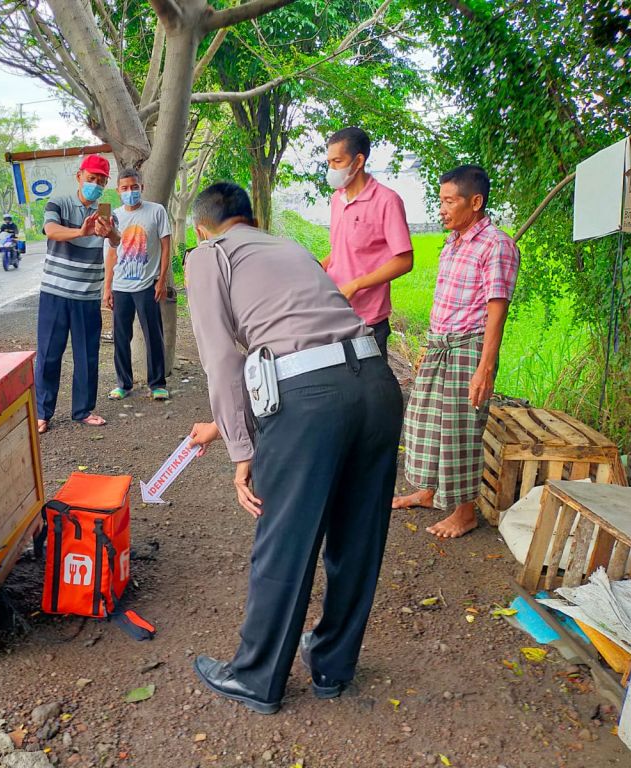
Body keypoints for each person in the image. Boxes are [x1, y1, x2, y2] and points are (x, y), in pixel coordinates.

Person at [185, 182, 402, 715]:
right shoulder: (290, 248)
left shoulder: (209, 255)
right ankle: (331, 666)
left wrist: (241, 451)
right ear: (252, 218)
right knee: (358, 536)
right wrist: (226, 427)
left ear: (200, 227)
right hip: (376, 382)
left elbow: (221, 360)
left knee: (285, 538)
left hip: (311, 401)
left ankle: (256, 678)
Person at [392, 165, 520, 538]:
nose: (442, 208)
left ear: (475, 202)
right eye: (441, 200)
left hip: (469, 348)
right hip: (440, 344)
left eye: (450, 201)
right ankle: (430, 491)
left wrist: (486, 366)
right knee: (424, 421)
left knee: (461, 429)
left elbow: (497, 308)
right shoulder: (454, 241)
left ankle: (465, 512)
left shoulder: (496, 244)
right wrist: (428, 344)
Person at [35, 153, 121, 434]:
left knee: (87, 355)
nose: (94, 184)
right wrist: (80, 231)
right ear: (79, 177)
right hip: (55, 293)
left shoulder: (107, 212)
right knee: (49, 353)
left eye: (100, 180)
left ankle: (82, 410)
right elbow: (50, 231)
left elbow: (117, 240)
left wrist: (109, 234)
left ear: (105, 183)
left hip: (86, 295)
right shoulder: (58, 202)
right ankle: (42, 412)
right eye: (91, 178)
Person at [322, 127, 413, 360]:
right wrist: (317, 267)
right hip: (335, 311)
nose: (332, 168)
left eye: (338, 161)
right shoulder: (336, 199)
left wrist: (356, 285)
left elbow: (404, 260)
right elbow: (341, 251)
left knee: (372, 389)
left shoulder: (387, 201)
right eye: (329, 162)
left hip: (368, 318)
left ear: (358, 160)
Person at [103, 168, 172, 402]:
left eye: (134, 187)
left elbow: (165, 247)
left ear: (141, 187)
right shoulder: (114, 216)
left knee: (153, 335)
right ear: (118, 190)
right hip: (121, 287)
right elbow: (111, 254)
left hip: (146, 286)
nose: (130, 192)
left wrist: (161, 280)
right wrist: (107, 287)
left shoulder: (156, 211)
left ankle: (157, 383)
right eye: (125, 188)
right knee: (121, 336)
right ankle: (123, 383)